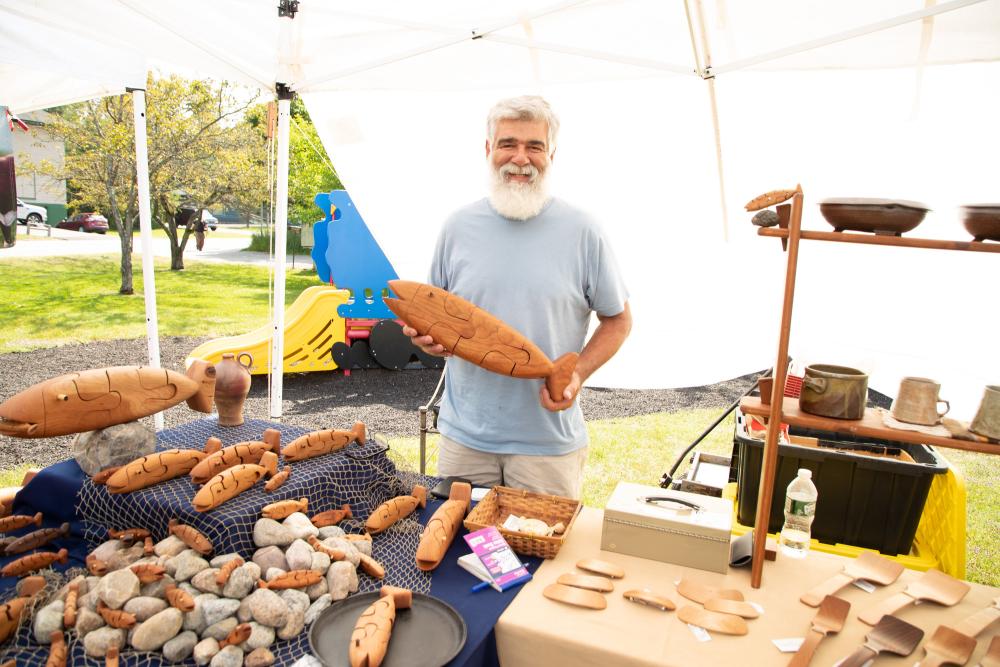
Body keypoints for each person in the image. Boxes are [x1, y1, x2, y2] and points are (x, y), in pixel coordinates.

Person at [402, 95, 632, 499]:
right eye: (508, 144)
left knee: (540, 555)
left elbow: (618, 319)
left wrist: (576, 373)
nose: (520, 159)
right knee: (459, 552)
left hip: (547, 446)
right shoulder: (457, 227)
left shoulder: (583, 230)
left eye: (534, 146)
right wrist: (427, 340)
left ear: (552, 154)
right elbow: (436, 315)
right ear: (488, 149)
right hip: (465, 443)